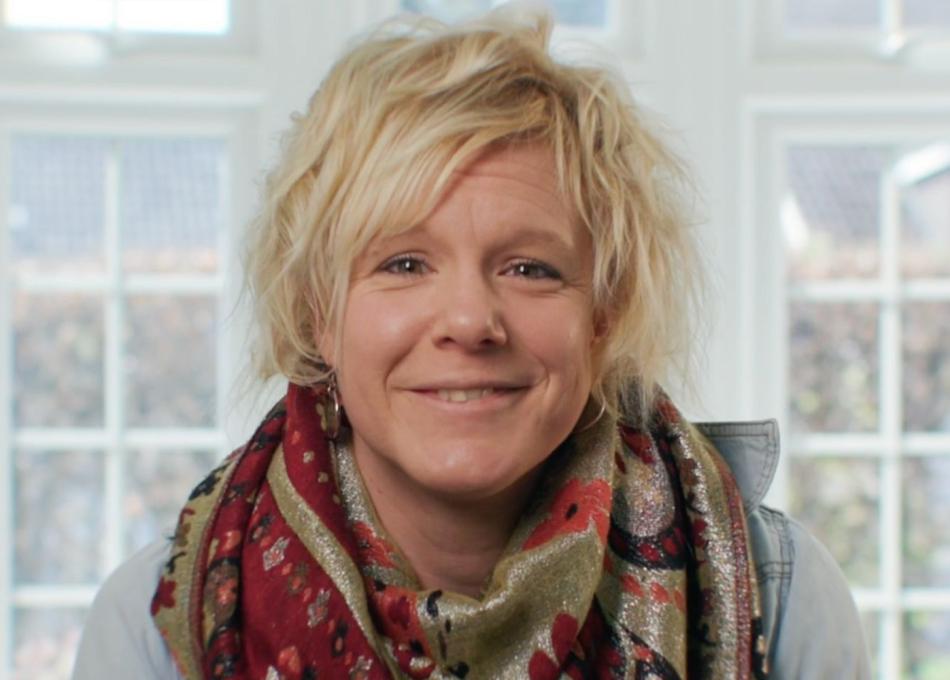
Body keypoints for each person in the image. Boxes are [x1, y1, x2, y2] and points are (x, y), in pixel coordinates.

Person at [72, 9, 870, 680]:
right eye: (403, 264)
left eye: (530, 268)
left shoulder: (781, 595)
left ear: (603, 314)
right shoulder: (157, 628)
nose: (468, 320)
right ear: (319, 315)